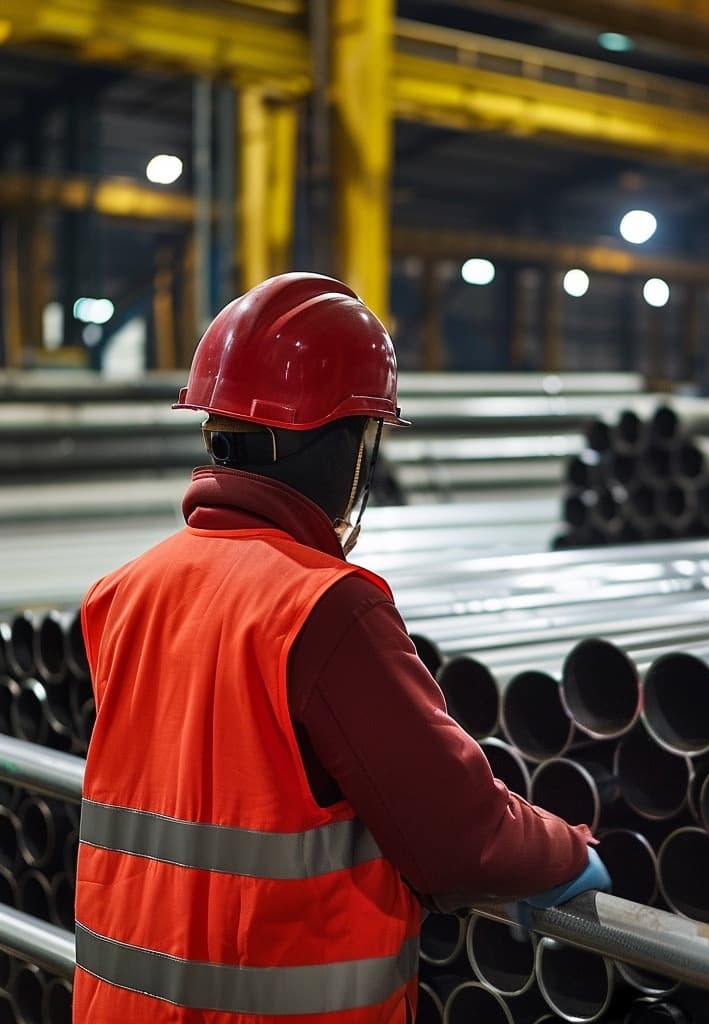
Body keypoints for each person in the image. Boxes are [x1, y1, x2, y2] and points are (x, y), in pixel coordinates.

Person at [73, 273, 609, 1024]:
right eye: (366, 437)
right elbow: (458, 835)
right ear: (339, 444)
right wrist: (565, 854)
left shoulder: (122, 592)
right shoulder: (325, 606)